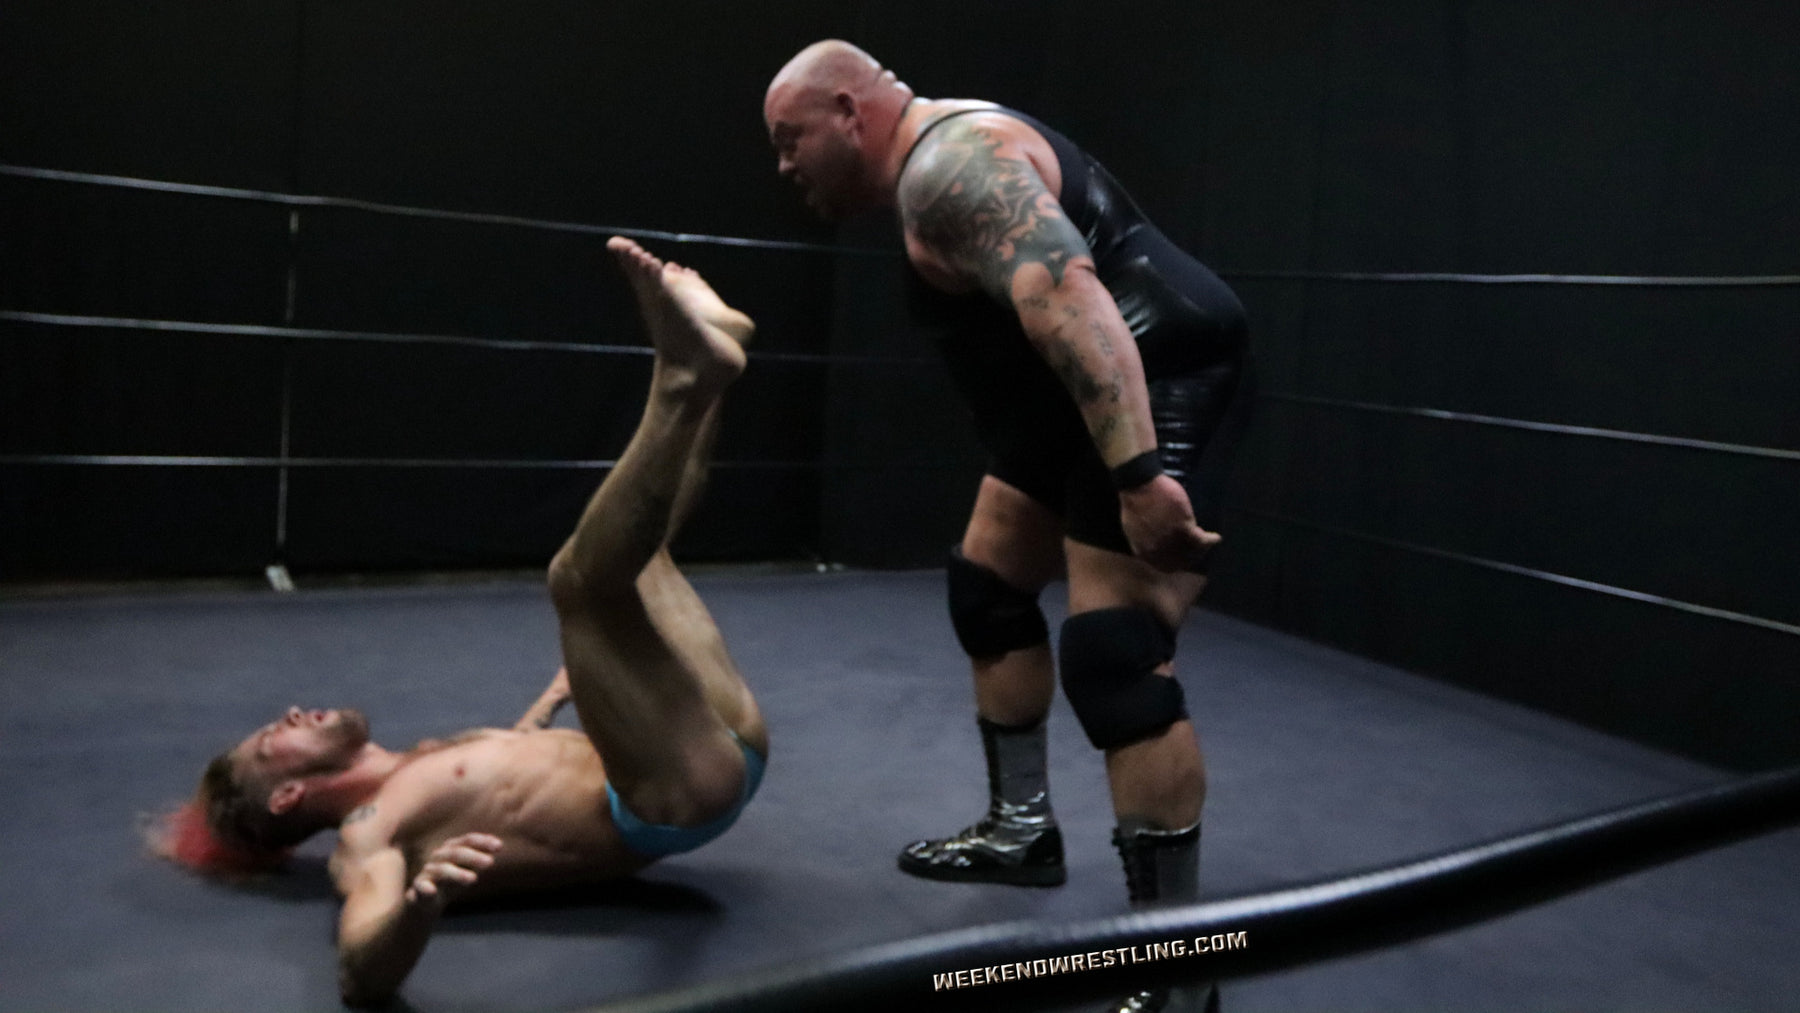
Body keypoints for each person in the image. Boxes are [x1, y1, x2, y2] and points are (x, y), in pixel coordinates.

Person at [151, 238, 768, 1007]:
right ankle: (680, 373)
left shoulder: (424, 759)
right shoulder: (370, 832)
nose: (292, 711)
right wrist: (418, 909)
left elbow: (511, 781)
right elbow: (359, 973)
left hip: (697, 738)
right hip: (672, 796)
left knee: (640, 556)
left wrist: (553, 700)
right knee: (578, 582)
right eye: (274, 736)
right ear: (286, 796)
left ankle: (711, 358)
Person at [764, 40, 1247, 1013]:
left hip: (1149, 371)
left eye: (791, 139)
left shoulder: (951, 169)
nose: (784, 166)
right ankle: (1022, 829)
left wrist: (1139, 475)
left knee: (1115, 654)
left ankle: (1180, 973)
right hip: (1064, 390)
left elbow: (1070, 299)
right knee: (989, 585)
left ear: (850, 112)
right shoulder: (935, 157)